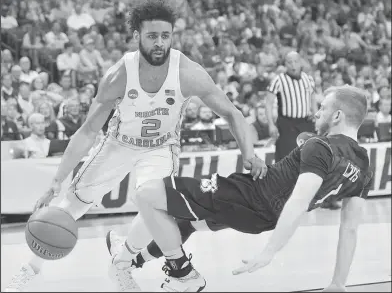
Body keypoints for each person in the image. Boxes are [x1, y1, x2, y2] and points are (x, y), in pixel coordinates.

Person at [5, 0, 267, 292]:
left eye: (165, 36)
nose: (159, 43)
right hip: (118, 144)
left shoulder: (187, 72)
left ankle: (120, 264)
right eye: (152, 36)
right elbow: (88, 130)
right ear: (137, 37)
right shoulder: (119, 75)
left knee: (154, 208)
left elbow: (232, 112)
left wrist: (249, 155)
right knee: (67, 208)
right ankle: (31, 268)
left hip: (161, 147)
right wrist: (57, 180)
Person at [106, 85, 373, 292]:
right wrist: (339, 283)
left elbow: (299, 200)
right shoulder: (363, 166)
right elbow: (349, 229)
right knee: (185, 222)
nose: (317, 112)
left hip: (249, 196)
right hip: (263, 218)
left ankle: (182, 275)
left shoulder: (320, 146)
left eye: (323, 108)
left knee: (146, 194)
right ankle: (132, 260)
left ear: (337, 115)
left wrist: (270, 252)